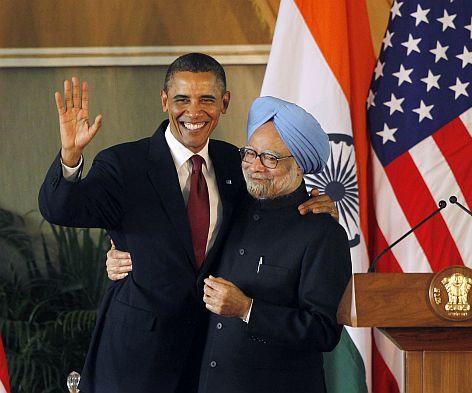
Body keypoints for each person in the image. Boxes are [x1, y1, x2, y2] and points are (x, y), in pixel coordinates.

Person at [38, 53, 336, 393]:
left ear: (224, 103)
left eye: (206, 99)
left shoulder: (234, 163)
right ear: (165, 101)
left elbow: (268, 213)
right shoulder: (124, 164)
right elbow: (63, 209)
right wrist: (70, 156)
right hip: (136, 357)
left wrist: (316, 204)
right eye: (182, 99)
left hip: (209, 355)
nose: (193, 112)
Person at [108, 96, 352, 393]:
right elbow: (178, 250)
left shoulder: (323, 233)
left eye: (270, 158)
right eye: (250, 153)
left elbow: (323, 331)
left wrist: (247, 308)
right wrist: (120, 257)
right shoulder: (230, 208)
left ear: (300, 166)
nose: (254, 166)